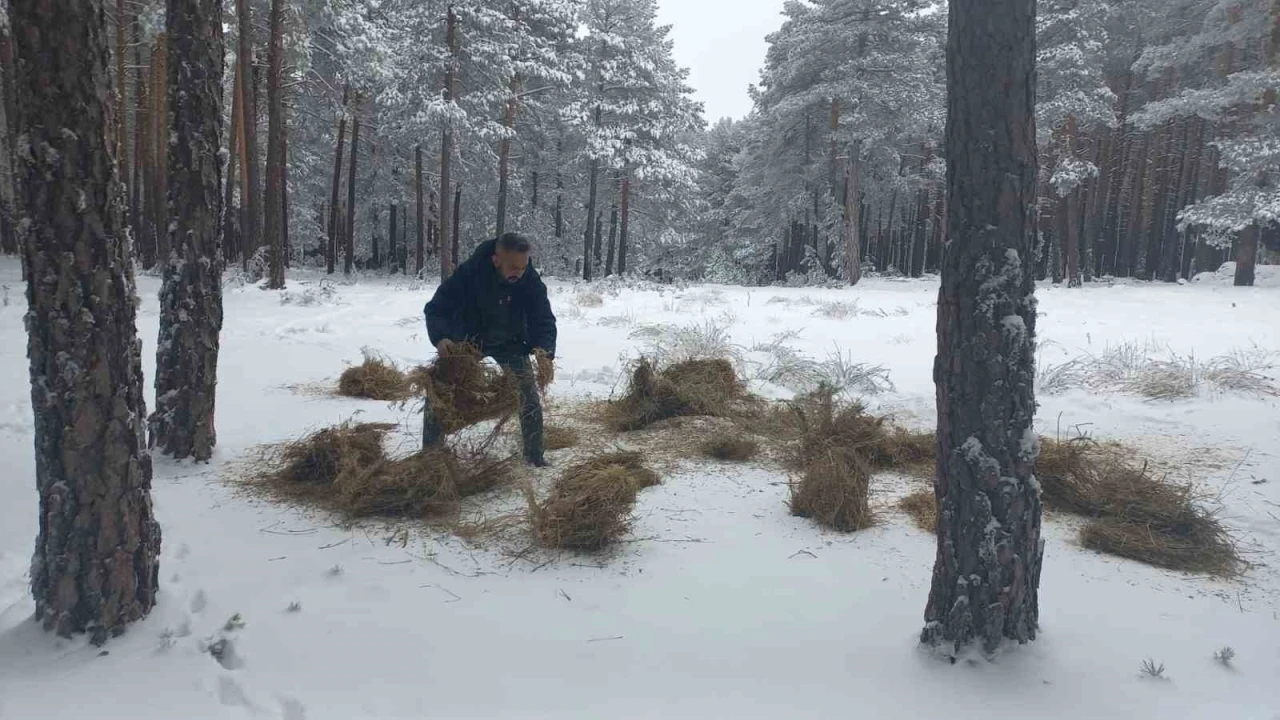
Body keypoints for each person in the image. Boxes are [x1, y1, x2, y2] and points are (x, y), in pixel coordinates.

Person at [423, 232, 557, 466]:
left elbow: (543, 318)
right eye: (513, 267)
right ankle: (431, 457)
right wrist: (441, 338)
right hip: (469, 342)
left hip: (511, 342)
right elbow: (436, 309)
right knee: (439, 392)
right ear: (496, 260)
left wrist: (545, 351)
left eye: (523, 267)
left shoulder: (529, 279)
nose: (519, 272)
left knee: (529, 398)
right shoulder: (469, 274)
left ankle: (534, 457)